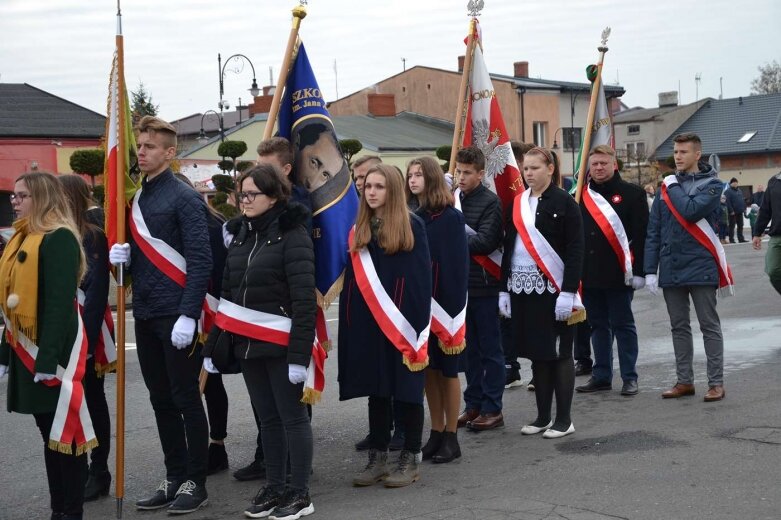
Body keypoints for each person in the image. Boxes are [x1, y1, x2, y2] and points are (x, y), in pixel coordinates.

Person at [108, 116, 212, 514]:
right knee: (160, 399)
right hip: (148, 311)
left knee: (186, 398)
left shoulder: (184, 198)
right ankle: (174, 474)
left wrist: (189, 314)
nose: (142, 152)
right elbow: (143, 262)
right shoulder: (138, 199)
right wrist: (125, 262)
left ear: (170, 153)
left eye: (150, 146)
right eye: (140, 145)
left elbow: (200, 260)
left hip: (176, 315)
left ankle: (195, 482)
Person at [203, 164, 317, 519]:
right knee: (267, 420)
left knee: (293, 419)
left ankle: (299, 492)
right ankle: (276, 484)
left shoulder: (293, 234)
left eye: (252, 194)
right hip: (247, 343)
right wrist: (213, 348)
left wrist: (299, 356)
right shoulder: (240, 235)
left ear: (273, 196)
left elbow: (303, 300)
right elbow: (227, 294)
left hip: (282, 345)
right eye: (241, 194)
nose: (244, 201)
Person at [0, 172, 93, 520]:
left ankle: (71, 510)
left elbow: (57, 306)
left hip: (50, 355)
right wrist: (5, 352)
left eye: (22, 195)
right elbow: (10, 304)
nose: (15, 201)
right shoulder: (23, 237)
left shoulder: (58, 239)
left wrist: (47, 360)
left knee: (64, 437)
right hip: (27, 348)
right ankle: (61, 508)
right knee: (49, 434)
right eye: (14, 195)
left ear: (42, 198)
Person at [340, 164, 432, 488]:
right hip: (368, 324)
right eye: (367, 186)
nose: (372, 192)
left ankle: (410, 456)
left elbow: (421, 281)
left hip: (401, 324)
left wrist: (417, 330)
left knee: (407, 392)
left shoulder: (412, 226)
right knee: (376, 390)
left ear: (392, 191)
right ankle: (378, 456)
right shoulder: (359, 228)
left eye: (379, 186)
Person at [499, 147, 584, 439]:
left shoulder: (566, 202)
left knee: (560, 353)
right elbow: (509, 248)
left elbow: (575, 251)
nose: (529, 173)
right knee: (538, 354)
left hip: (555, 289)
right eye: (525, 169)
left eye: (535, 168)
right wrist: (504, 289)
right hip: (523, 288)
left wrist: (568, 292)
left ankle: (564, 419)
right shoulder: (518, 203)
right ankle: (542, 416)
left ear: (550, 168)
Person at [644, 133, 730, 402]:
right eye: (676, 152)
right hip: (671, 266)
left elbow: (690, 210)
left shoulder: (713, 185)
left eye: (683, 152)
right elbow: (654, 231)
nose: (678, 157)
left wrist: (671, 185)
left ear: (697, 155)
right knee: (678, 326)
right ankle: (684, 381)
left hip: (701, 264)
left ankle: (716, 383)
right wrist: (649, 269)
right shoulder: (666, 187)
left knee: (708, 325)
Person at [407, 156, 469, 463]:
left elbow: (457, 267)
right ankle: (436, 430)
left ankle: (452, 436)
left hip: (446, 307)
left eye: (419, 174)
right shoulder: (413, 215)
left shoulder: (450, 217)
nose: (413, 179)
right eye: (411, 175)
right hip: (422, 306)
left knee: (448, 372)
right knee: (428, 373)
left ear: (431, 178)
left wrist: (451, 313)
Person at [575, 145, 648, 397]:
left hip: (619, 272)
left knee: (623, 325)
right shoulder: (580, 196)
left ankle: (630, 377)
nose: (598, 168)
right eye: (594, 164)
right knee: (597, 326)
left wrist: (640, 271)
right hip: (590, 273)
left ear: (614, 164)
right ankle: (601, 375)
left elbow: (641, 236)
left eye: (603, 163)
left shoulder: (633, 194)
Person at [59, 174, 114, 502]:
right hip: (62, 328)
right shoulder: (55, 233)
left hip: (86, 328)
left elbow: (94, 291)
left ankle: (100, 469)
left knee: (92, 401)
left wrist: (88, 340)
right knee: (67, 401)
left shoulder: (92, 236)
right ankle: (76, 465)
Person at [173, 172, 231, 477]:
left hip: (208, 311)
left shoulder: (211, 225)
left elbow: (217, 270)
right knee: (204, 384)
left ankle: (215, 445)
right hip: (188, 311)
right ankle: (211, 444)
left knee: (210, 382)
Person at [454, 146, 506, 432]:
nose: (461, 177)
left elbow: (486, 242)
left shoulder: (490, 202)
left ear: (480, 174)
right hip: (461, 285)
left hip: (485, 284)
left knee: (490, 350)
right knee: (468, 352)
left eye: (467, 173)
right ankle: (472, 403)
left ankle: (492, 407)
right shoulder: (453, 200)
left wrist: (450, 240)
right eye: (458, 171)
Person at [503, 142, 533, 389]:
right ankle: (511, 366)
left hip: (536, 269)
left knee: (533, 325)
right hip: (509, 264)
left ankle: (539, 370)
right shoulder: (508, 192)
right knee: (508, 321)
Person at [752, 171, 781, 295]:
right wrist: (757, 233)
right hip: (777, 235)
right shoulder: (774, 181)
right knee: (773, 270)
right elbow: (765, 209)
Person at [724, 177, 747, 243]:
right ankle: (731, 239)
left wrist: (744, 208)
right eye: (734, 183)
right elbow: (727, 202)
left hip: (740, 211)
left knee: (740, 225)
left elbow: (742, 200)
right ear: (731, 183)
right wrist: (731, 211)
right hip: (733, 213)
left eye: (736, 182)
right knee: (732, 226)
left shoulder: (739, 190)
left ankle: (741, 239)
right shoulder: (727, 191)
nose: (735, 184)